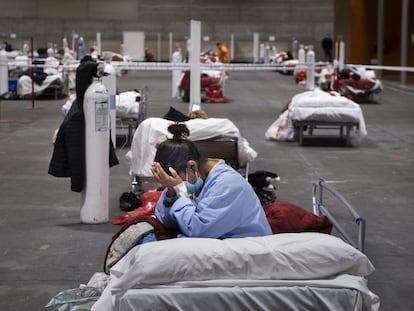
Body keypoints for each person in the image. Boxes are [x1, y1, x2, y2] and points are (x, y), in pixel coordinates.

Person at [149, 123, 272, 240]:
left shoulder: (228, 184)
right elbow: (165, 220)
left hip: (246, 248)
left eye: (177, 181)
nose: (177, 185)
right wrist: (171, 192)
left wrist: (180, 194)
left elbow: (198, 230)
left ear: (192, 166)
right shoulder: (192, 179)